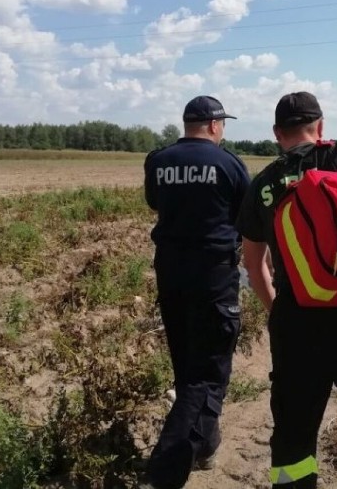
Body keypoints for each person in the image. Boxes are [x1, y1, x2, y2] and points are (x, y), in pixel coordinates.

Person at [237, 91, 337, 489]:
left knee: (294, 430)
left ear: (278, 134)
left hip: (299, 321)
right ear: (321, 126)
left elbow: (253, 263)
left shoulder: (265, 182)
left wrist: (277, 310)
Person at [140, 95, 250, 489]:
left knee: (188, 365)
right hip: (214, 277)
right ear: (216, 125)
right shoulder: (230, 163)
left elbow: (155, 202)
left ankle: (206, 445)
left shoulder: (159, 160)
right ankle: (162, 475)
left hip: (170, 272)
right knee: (208, 377)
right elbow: (247, 215)